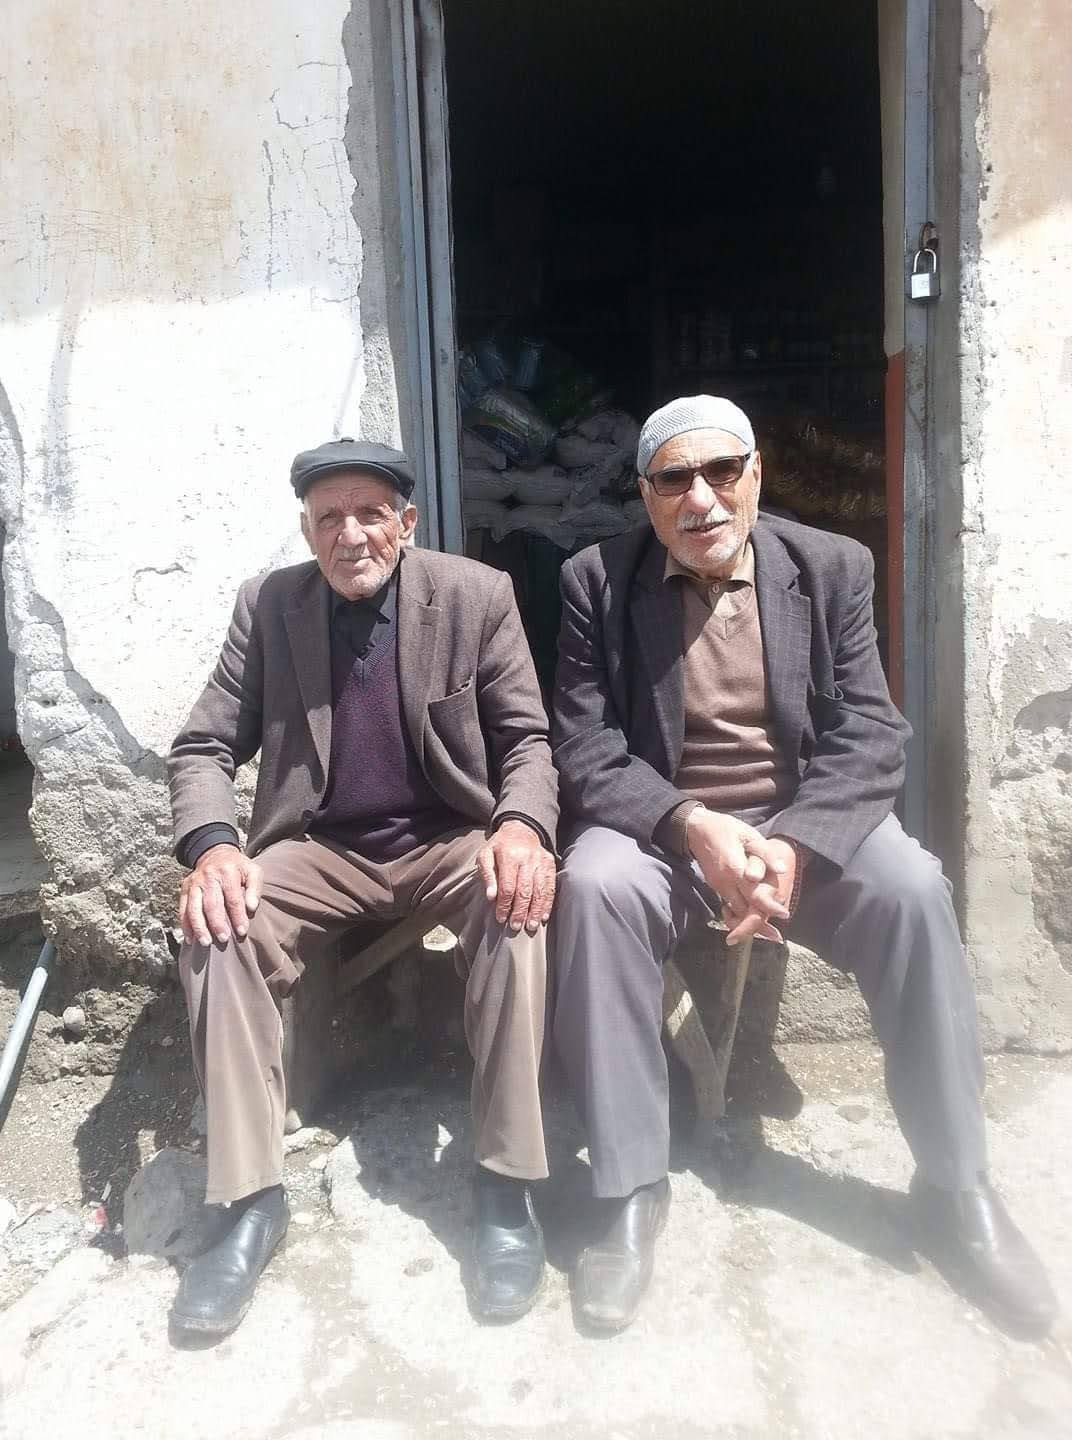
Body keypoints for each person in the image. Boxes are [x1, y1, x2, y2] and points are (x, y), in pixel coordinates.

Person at [550, 395, 1057, 1335]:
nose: (702, 498)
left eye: (722, 471)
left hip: (800, 827)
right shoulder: (595, 581)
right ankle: (629, 1187)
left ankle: (956, 1187)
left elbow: (869, 731)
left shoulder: (831, 567)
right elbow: (583, 746)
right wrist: (691, 823)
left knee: (912, 888)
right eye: (674, 479)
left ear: (757, 474)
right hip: (666, 831)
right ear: (647, 496)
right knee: (593, 885)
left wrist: (792, 844)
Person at [167, 438, 557, 1340]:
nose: (350, 535)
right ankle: (250, 1200)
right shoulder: (269, 607)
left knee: (517, 907)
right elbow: (203, 746)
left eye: (370, 515)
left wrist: (520, 828)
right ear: (307, 531)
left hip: (448, 837)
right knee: (219, 926)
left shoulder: (476, 595)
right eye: (328, 519)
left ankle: (506, 1185)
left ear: (406, 522)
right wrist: (215, 846)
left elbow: (528, 742)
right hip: (321, 846)